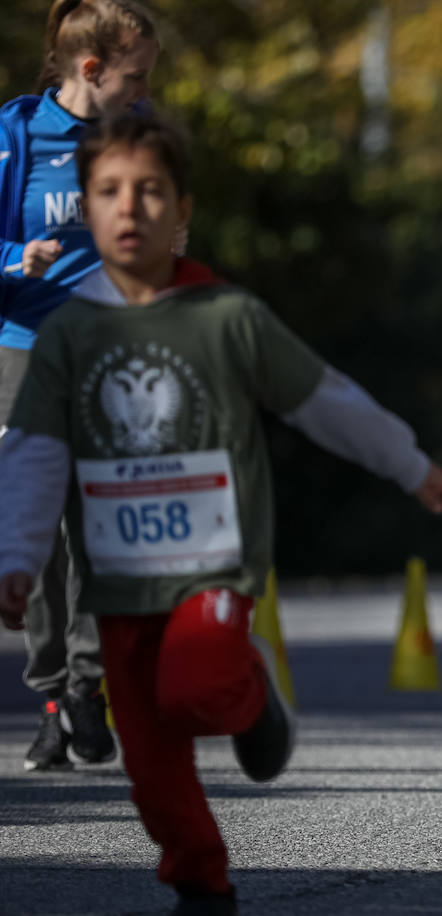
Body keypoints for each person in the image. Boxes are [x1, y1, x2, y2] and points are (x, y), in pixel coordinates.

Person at [0, 114, 442, 915]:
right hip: (119, 582)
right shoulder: (68, 334)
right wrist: (14, 556)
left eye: (151, 191)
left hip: (214, 562)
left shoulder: (226, 317)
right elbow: (36, 454)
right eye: (108, 192)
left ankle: (252, 690)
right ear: (86, 207)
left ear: (182, 211)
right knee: (149, 760)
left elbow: (326, 399)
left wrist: (408, 461)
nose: (129, 208)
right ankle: (202, 883)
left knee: (201, 682)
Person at [1, 0, 160, 773]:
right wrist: (13, 260)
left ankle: (90, 687)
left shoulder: (138, 133)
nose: (143, 93)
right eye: (133, 78)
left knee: (98, 525)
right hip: (25, 350)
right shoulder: (19, 133)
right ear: (89, 70)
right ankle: (54, 693)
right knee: (33, 534)